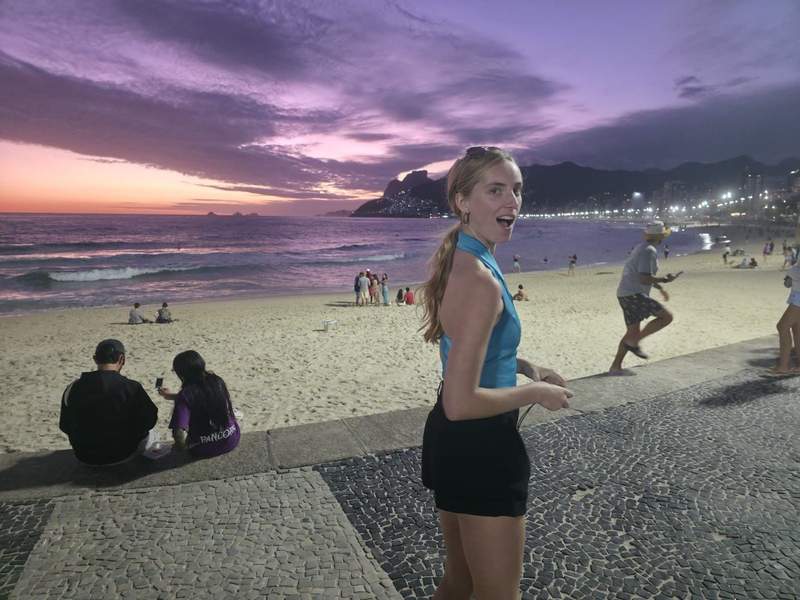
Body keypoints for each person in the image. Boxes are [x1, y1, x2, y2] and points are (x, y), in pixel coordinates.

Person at [419, 146, 571, 599]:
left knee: (462, 580)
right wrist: (536, 392)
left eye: (517, 190)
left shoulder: (467, 257)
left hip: (455, 442)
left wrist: (526, 367)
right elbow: (462, 402)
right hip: (481, 444)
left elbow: (470, 350)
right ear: (462, 201)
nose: (513, 202)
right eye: (496, 190)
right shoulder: (477, 278)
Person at [59, 339, 158, 466]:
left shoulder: (73, 388)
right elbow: (150, 420)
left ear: (95, 359)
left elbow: (64, 425)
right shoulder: (131, 387)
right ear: (122, 359)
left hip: (84, 456)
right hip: (123, 454)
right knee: (153, 434)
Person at [610, 221, 677, 373]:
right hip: (634, 294)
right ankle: (635, 341)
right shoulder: (649, 251)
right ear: (660, 237)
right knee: (667, 317)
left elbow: (643, 275)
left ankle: (615, 366)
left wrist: (660, 288)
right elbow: (644, 278)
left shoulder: (641, 247)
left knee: (631, 332)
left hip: (625, 293)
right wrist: (664, 280)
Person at [158, 350, 240, 458]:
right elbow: (200, 397)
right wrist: (170, 396)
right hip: (231, 439)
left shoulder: (185, 395)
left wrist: (180, 447)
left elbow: (178, 431)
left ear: (181, 374)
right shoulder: (217, 381)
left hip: (204, 448)